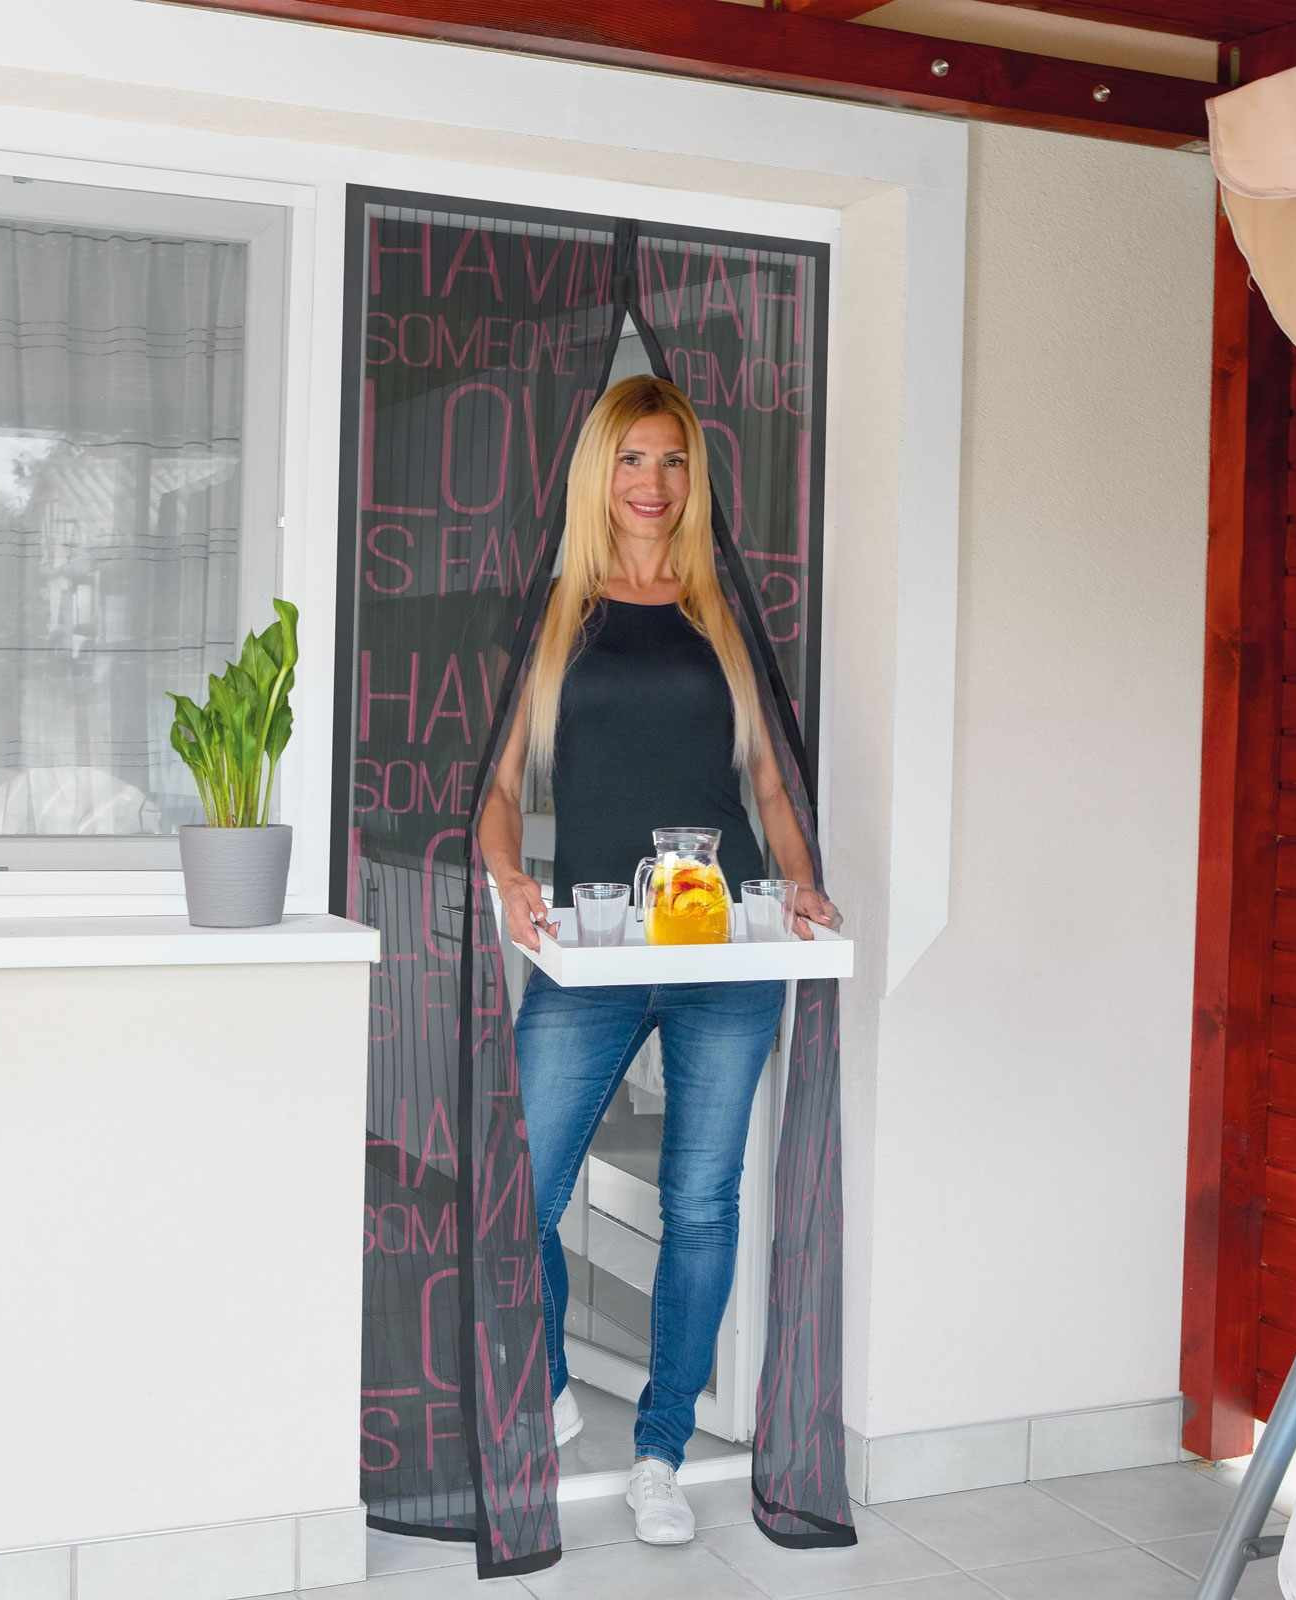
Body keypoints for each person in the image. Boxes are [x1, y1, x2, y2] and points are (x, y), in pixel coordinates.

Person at [477, 375, 839, 1546]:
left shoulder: (725, 616)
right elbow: (494, 787)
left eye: (673, 461)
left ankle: (661, 1450)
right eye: (632, 459)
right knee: (519, 1188)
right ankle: (546, 1378)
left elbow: (770, 787)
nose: (653, 482)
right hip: (590, 948)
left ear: (694, 479)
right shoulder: (554, 616)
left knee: (700, 1201)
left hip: (722, 940)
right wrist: (509, 876)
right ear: (600, 473)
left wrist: (801, 881)